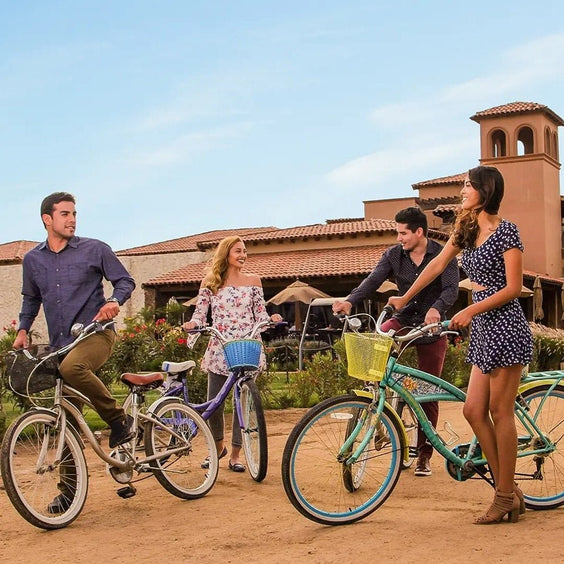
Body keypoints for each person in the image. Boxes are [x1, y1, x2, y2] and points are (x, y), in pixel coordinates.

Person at [388, 166, 533, 524]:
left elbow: (513, 287)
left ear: (486, 190)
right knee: (472, 410)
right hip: (484, 326)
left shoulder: (506, 231)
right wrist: (405, 297)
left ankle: (502, 495)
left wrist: (470, 307)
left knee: (500, 411)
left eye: (469, 186)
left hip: (506, 324)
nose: (463, 190)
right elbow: (437, 265)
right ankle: (508, 490)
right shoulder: (466, 229)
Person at [13, 192, 136, 513]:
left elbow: (124, 281)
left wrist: (113, 302)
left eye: (74, 214)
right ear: (47, 220)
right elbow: (30, 300)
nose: (72, 219)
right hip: (60, 345)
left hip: (96, 335)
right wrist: (23, 329)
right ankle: (68, 493)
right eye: (65, 214)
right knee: (64, 419)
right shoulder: (33, 260)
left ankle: (118, 420)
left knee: (72, 369)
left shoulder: (95, 249)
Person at [333, 206, 459, 477]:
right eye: (397, 232)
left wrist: (436, 308)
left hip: (431, 326)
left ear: (419, 232)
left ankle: (424, 455)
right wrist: (349, 300)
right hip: (403, 319)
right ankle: (376, 407)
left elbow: (451, 288)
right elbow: (372, 280)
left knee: (428, 391)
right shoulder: (393, 255)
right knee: (375, 348)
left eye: (403, 233)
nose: (399, 238)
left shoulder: (442, 254)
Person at [183, 236, 281, 473]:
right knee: (214, 403)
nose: (243, 255)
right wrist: (192, 324)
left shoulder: (254, 281)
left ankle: (236, 455)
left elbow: (260, 314)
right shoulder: (211, 282)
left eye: (245, 251)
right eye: (238, 251)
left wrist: (272, 319)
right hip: (220, 348)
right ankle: (217, 449)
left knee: (243, 403)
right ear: (226, 253)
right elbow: (200, 313)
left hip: (247, 347)